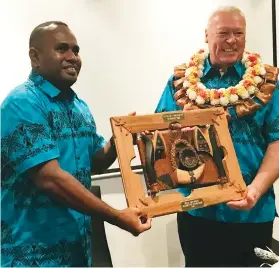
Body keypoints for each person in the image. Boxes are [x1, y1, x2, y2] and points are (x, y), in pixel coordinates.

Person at [1, 21, 151, 267]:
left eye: (76, 50)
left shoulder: (79, 107)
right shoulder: (21, 104)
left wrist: (119, 142)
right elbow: (50, 178)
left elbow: (94, 162)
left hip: (78, 251)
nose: (73, 57)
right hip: (31, 256)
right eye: (62, 49)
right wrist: (117, 217)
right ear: (35, 57)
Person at [155, 6, 279, 267]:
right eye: (223, 33)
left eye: (238, 33)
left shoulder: (269, 83)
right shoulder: (180, 82)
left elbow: (277, 142)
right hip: (198, 212)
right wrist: (179, 135)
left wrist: (254, 192)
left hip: (253, 213)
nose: (231, 40)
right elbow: (160, 134)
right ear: (207, 36)